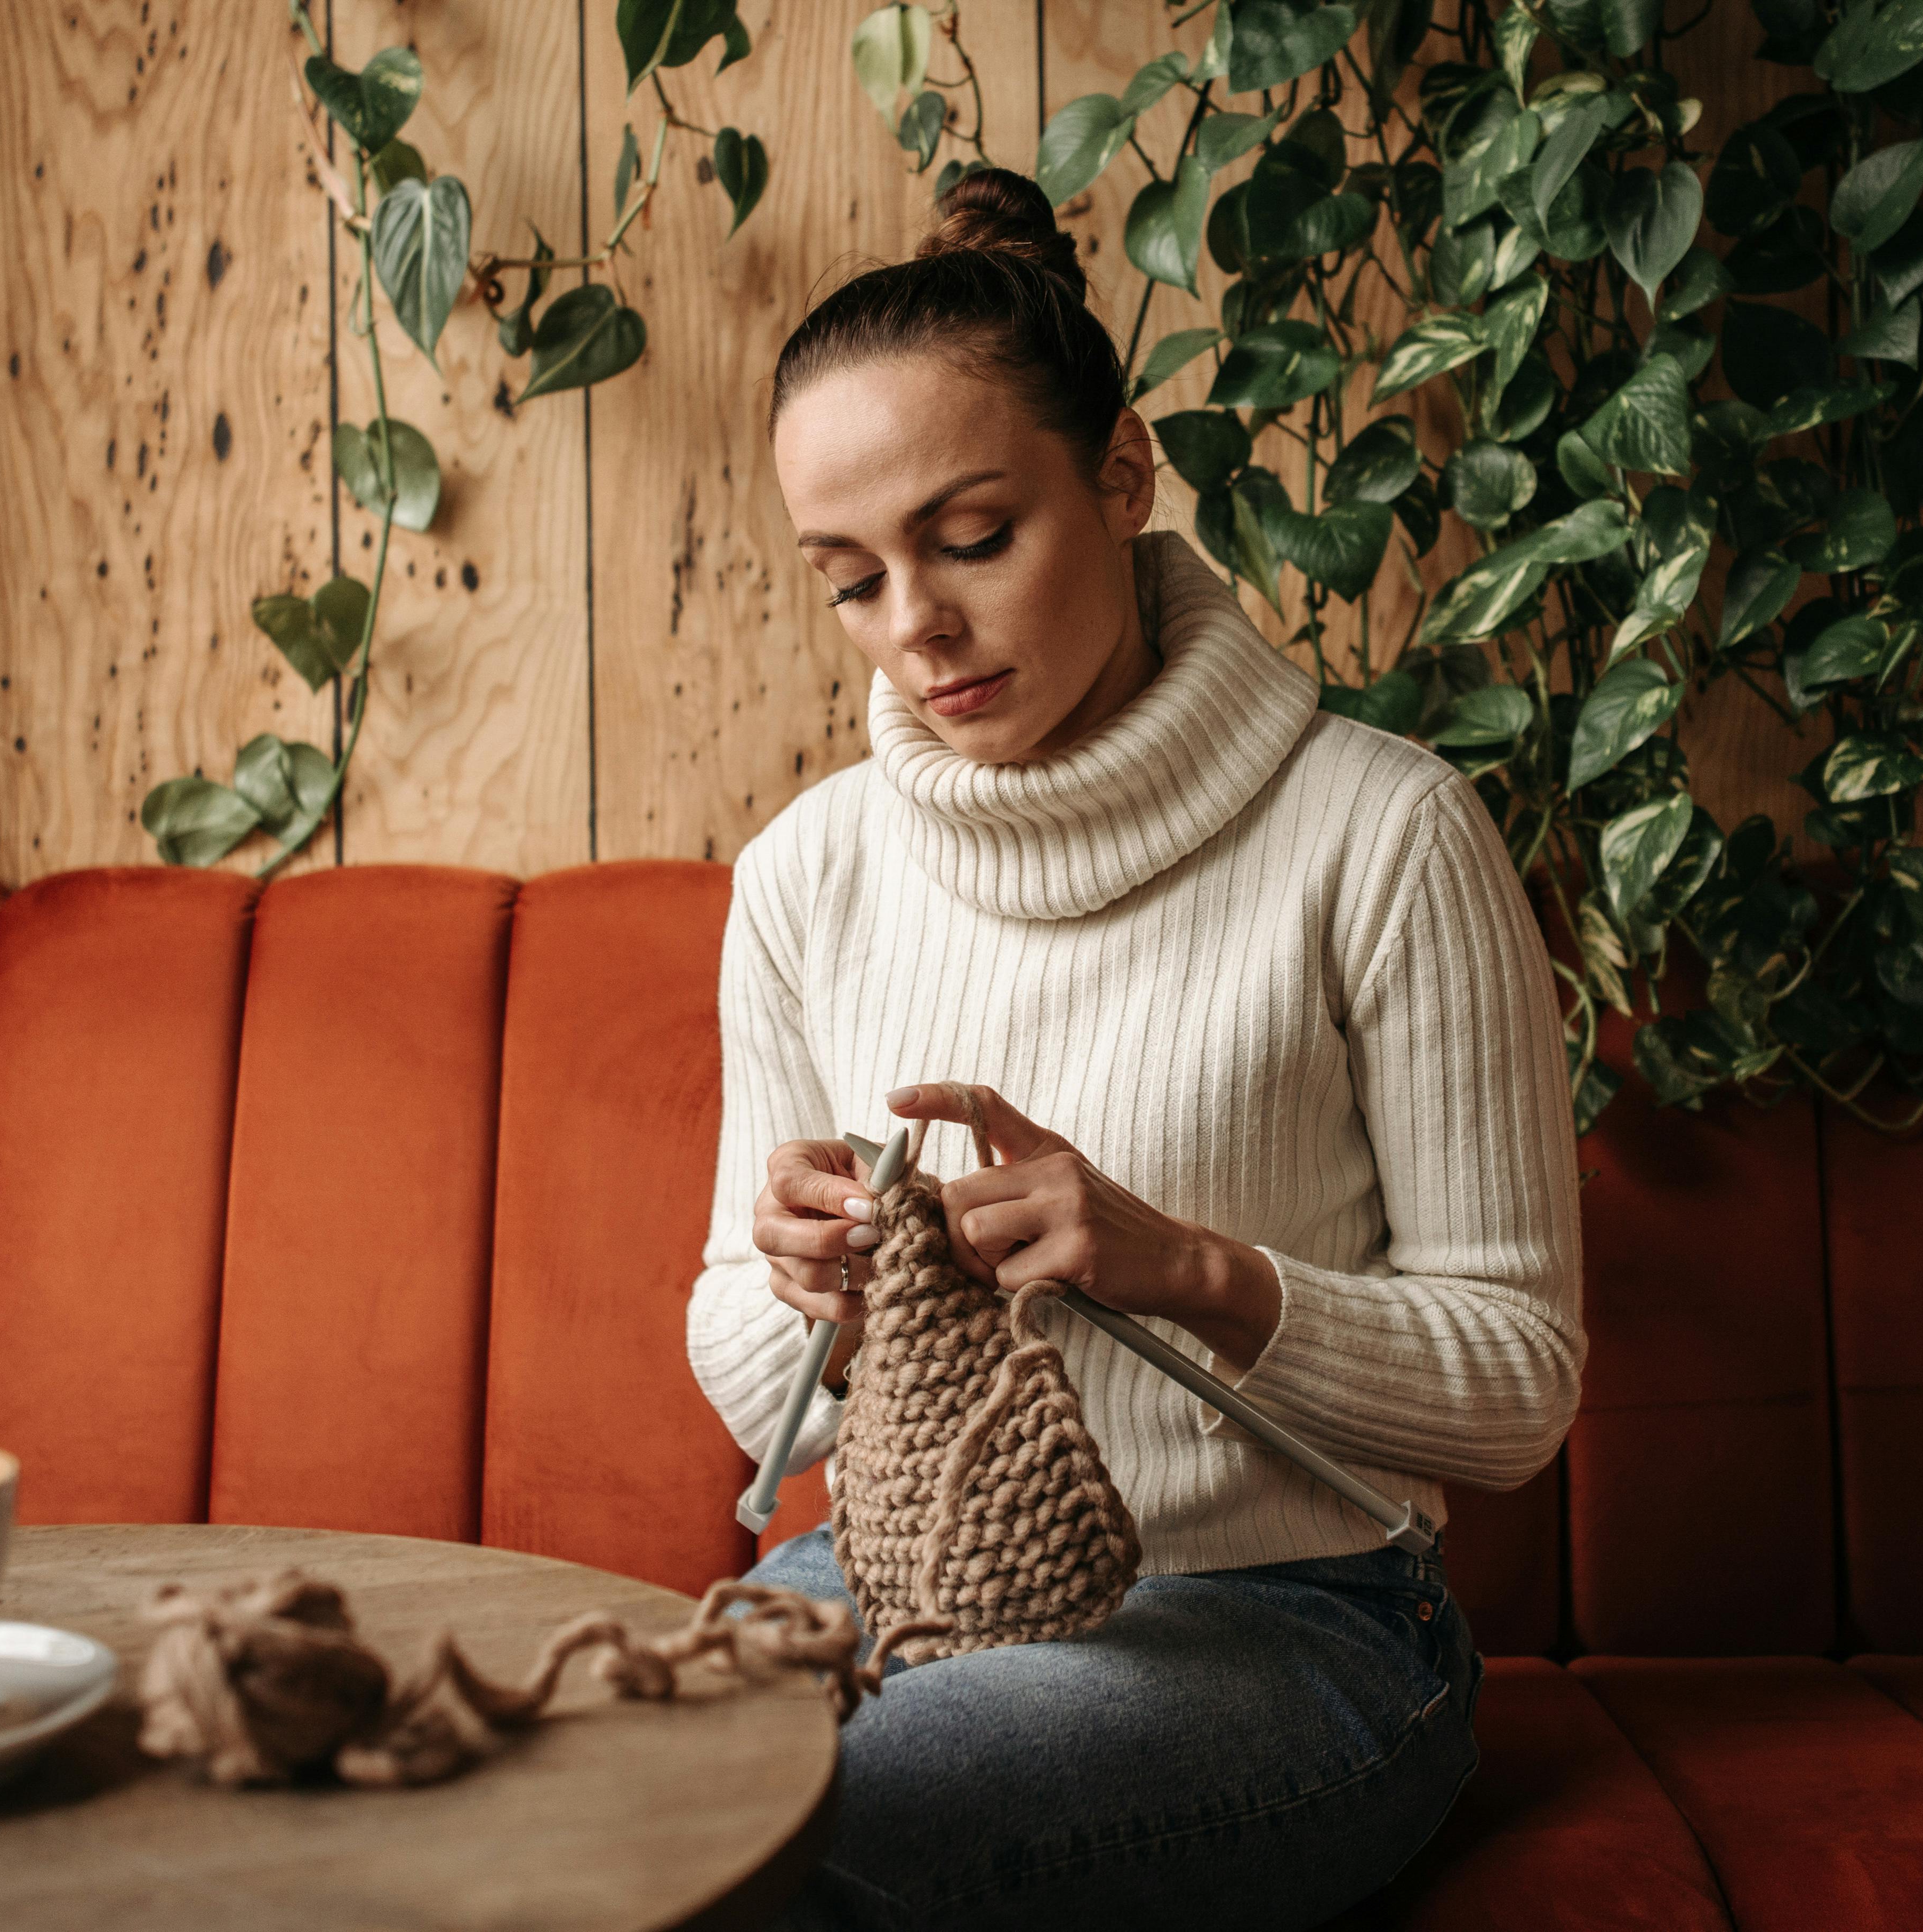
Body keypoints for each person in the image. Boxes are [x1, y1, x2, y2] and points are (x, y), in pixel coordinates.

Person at [686, 163, 1585, 1931]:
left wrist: (1184, 1267)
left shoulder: (1380, 833)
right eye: (849, 579)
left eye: (970, 538)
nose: (914, 628)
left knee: (784, 1827)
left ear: (1119, 476)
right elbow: (741, 1362)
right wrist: (816, 1301)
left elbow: (1519, 1386)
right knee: (581, 1805)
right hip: (892, 1583)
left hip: (1297, 1625)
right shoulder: (809, 871)